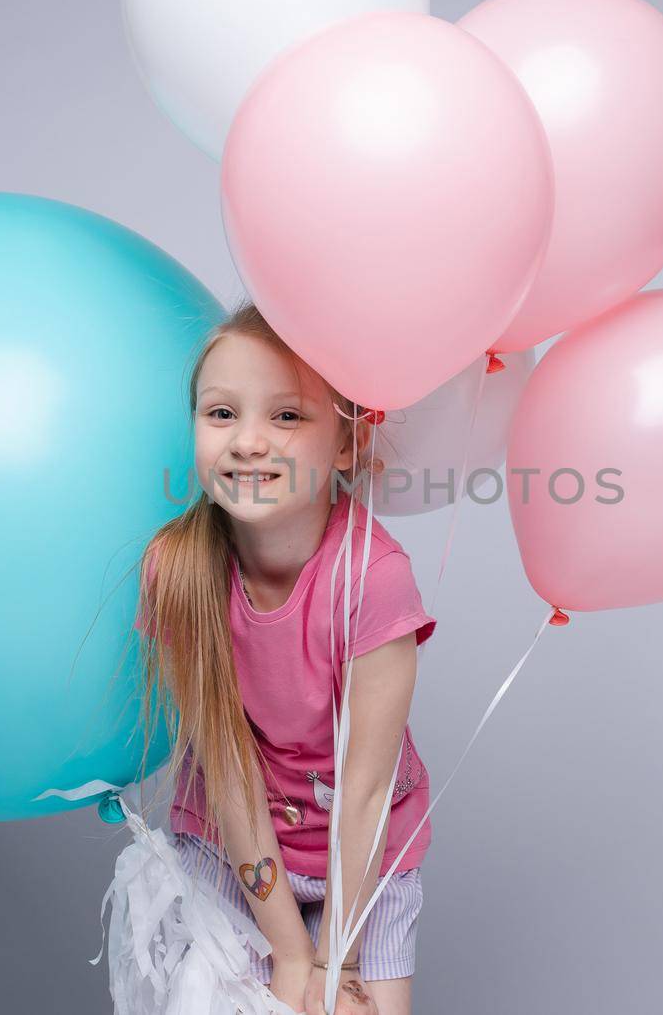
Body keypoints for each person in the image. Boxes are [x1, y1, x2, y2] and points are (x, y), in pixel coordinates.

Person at [129, 299, 437, 1015]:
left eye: (287, 416)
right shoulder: (176, 570)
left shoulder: (372, 575)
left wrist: (332, 960)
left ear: (347, 443)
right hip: (231, 840)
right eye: (222, 414)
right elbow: (228, 769)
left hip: (365, 856)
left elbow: (363, 791)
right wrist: (291, 954)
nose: (248, 441)